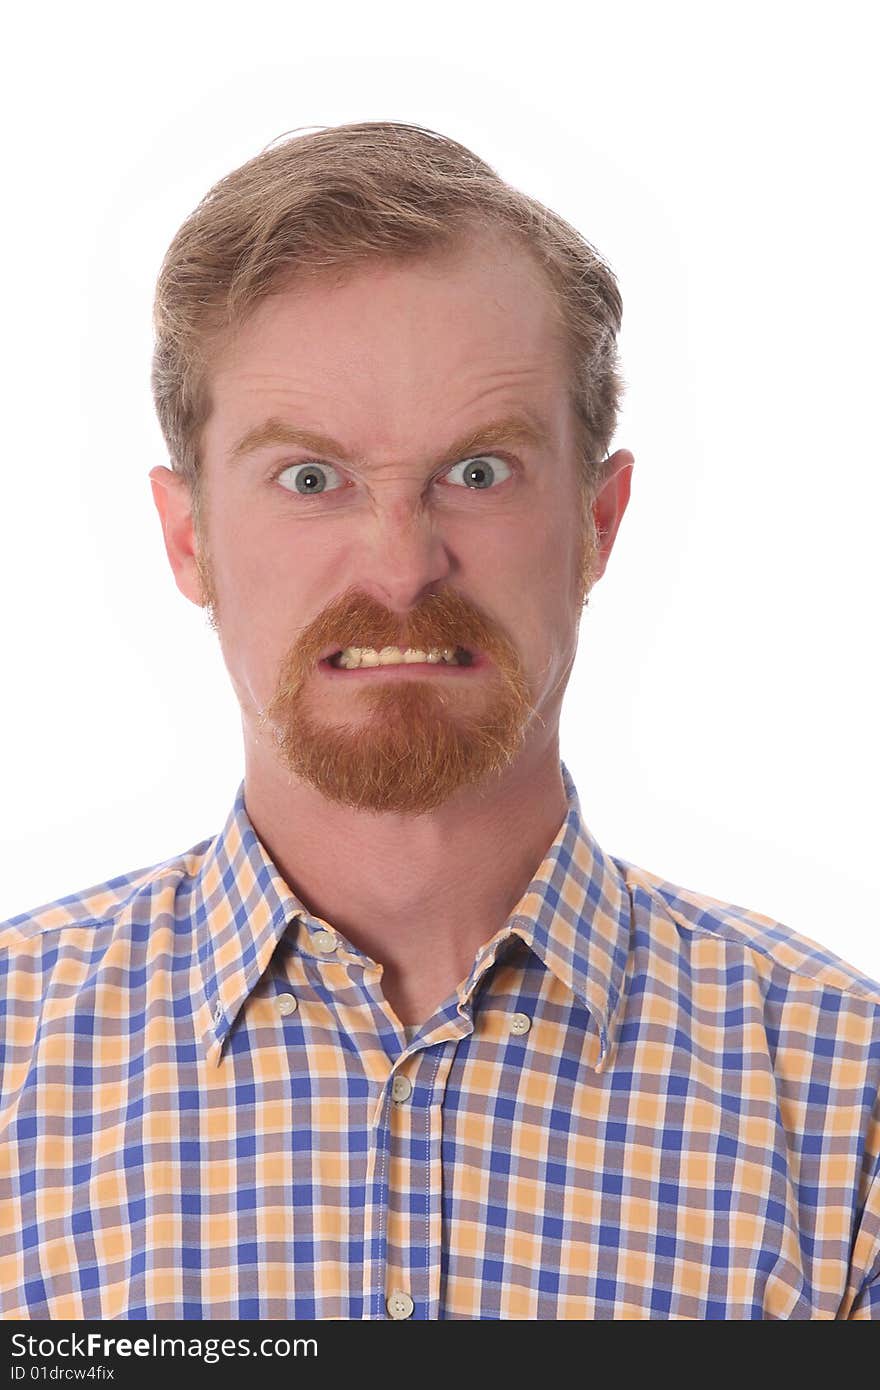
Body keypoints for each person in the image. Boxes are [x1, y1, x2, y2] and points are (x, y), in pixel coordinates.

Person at [1, 122, 877, 1323]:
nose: (403, 568)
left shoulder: (845, 1102)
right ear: (188, 535)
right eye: (311, 479)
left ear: (598, 523)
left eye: (477, 471)